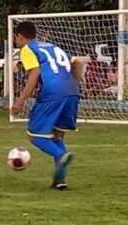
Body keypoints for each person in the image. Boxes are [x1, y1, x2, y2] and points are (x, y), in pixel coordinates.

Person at [11, 20, 83, 191]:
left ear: (20, 37)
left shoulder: (27, 49)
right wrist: (73, 85)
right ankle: (60, 180)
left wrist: (20, 101)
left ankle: (61, 154)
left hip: (52, 92)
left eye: (16, 39)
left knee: (35, 135)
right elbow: (78, 63)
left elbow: (35, 73)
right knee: (57, 136)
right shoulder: (52, 46)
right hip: (72, 91)